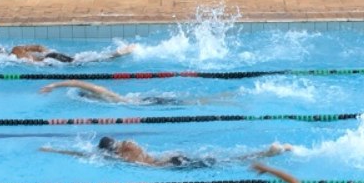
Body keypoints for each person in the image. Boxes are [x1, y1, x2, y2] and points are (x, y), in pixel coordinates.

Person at [41, 137, 292, 169]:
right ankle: (267, 153)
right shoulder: (123, 149)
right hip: (170, 161)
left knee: (224, 161)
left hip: (170, 162)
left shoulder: (120, 154)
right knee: (226, 160)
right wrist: (54, 148)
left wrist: (54, 148)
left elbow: (83, 155)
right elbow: (83, 155)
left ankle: (268, 153)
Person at [38, 79, 228, 106]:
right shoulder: (105, 99)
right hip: (143, 101)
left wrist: (55, 85)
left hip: (146, 103)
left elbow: (79, 83)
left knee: (191, 102)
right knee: (190, 101)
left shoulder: (102, 94)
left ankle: (222, 99)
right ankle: (221, 99)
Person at [6, 43, 135, 64]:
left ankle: (114, 55)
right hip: (51, 55)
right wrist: (47, 52)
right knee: (79, 58)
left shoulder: (15, 56)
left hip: (50, 60)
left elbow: (32, 63)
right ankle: (113, 54)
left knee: (81, 62)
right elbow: (39, 47)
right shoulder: (18, 49)